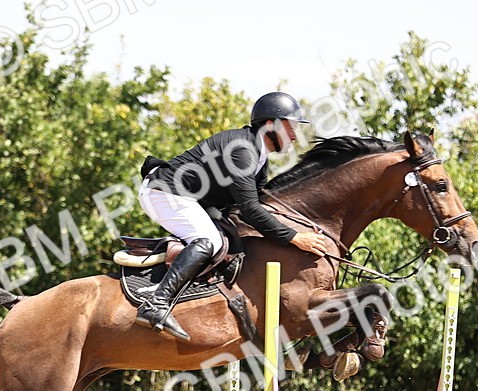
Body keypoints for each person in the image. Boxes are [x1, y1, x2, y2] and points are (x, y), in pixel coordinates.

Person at [135, 91, 331, 341]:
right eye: (290, 128)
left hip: (188, 197)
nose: (294, 135)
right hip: (164, 192)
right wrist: (294, 237)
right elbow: (250, 209)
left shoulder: (258, 157)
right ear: (270, 125)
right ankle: (156, 302)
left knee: (227, 238)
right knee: (210, 241)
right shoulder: (244, 152)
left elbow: (259, 205)